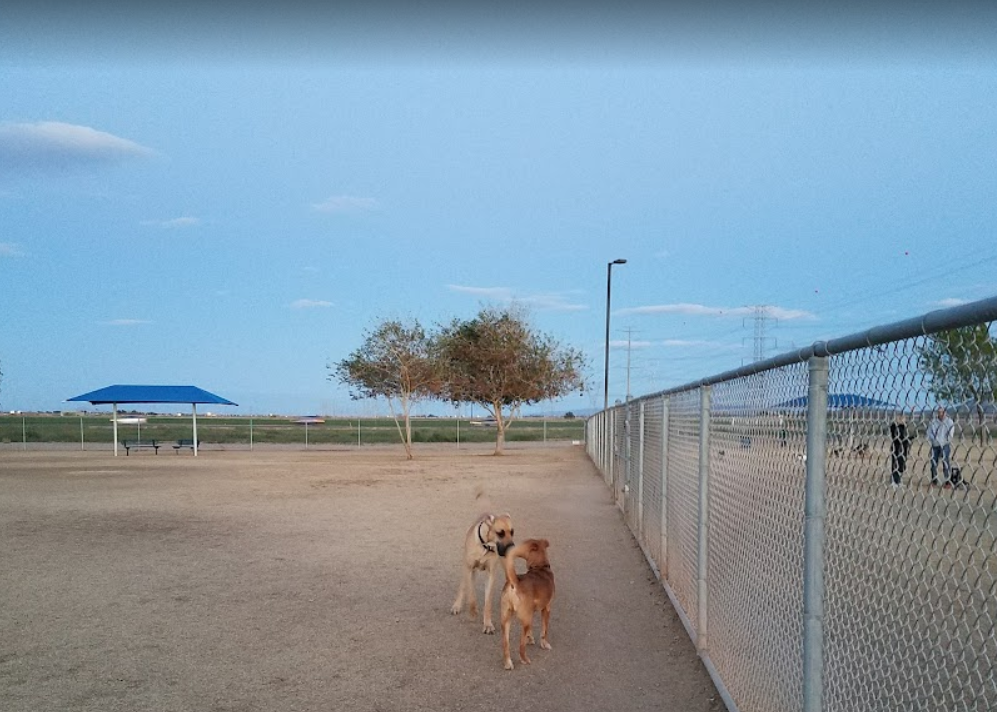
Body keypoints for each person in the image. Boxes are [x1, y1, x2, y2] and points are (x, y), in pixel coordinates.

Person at [926, 406, 955, 486]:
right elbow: (929, 433)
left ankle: (947, 481)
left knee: (945, 462)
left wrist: (944, 441)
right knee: (933, 463)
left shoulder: (949, 422)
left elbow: (950, 434)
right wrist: (934, 439)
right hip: (935, 445)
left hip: (945, 444)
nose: (940, 414)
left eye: (942, 412)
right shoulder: (933, 422)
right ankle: (934, 480)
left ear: (945, 412)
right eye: (939, 412)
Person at [889, 413, 912, 487]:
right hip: (896, 447)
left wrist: (910, 438)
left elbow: (904, 437)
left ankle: (898, 480)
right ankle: (894, 481)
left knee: (902, 464)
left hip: (903, 448)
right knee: (896, 463)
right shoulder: (894, 426)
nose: (903, 420)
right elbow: (898, 437)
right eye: (901, 418)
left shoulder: (904, 427)